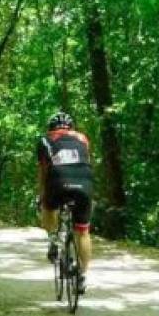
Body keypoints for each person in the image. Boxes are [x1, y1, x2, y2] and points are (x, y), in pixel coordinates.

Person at [37, 112, 93, 294]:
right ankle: (83, 276)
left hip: (58, 182)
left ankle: (54, 239)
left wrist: (42, 196)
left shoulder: (45, 140)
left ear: (51, 128)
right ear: (71, 128)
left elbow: (44, 173)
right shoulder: (83, 139)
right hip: (84, 184)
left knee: (48, 207)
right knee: (83, 231)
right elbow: (86, 163)